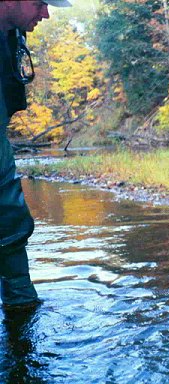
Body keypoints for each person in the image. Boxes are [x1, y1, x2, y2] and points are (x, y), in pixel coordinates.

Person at [0, 0, 72, 310]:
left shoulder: (14, 34)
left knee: (12, 218)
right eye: (40, 3)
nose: (46, 14)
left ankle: (23, 308)